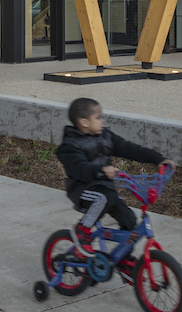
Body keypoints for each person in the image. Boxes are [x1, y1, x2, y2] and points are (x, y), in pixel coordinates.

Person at [55, 97, 166, 261]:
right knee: (104, 198)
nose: (103, 121)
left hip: (104, 189)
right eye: (98, 117)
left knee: (129, 219)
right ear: (84, 122)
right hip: (82, 189)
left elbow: (130, 149)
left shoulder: (106, 136)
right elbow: (79, 169)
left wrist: (158, 159)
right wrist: (101, 171)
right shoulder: (69, 146)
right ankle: (82, 230)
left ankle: (123, 256)